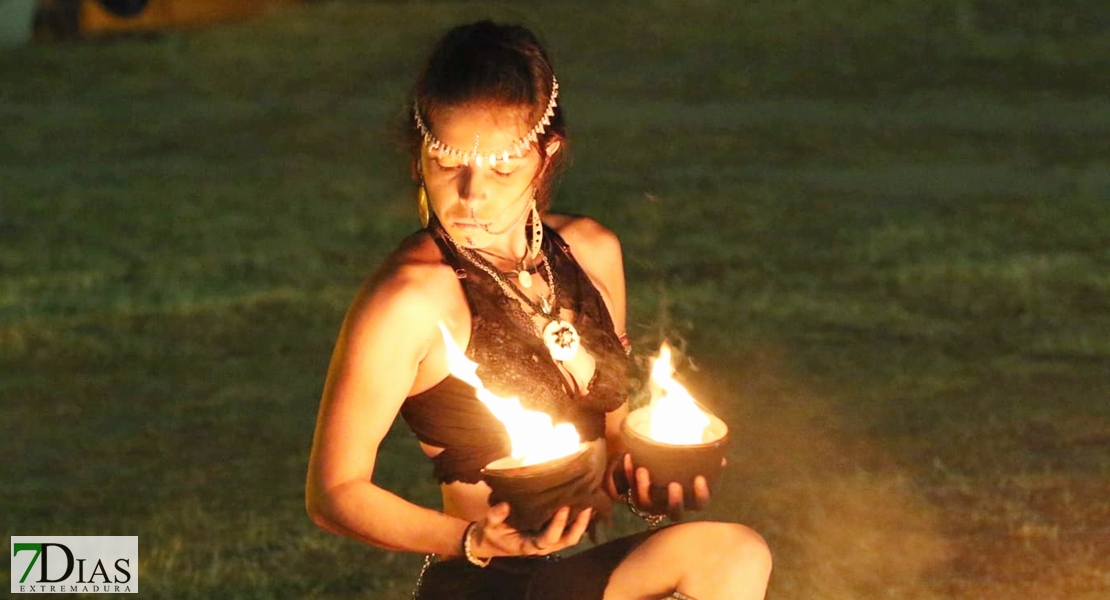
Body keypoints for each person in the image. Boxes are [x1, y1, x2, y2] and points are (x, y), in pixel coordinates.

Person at [305, 20, 772, 600]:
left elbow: (611, 443)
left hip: (576, 578)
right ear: (420, 153)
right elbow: (334, 493)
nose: (473, 194)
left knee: (733, 557)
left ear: (545, 156)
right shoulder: (410, 299)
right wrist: (472, 538)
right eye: (448, 164)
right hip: (484, 586)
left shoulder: (593, 253)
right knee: (730, 554)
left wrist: (644, 480)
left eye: (502, 169)